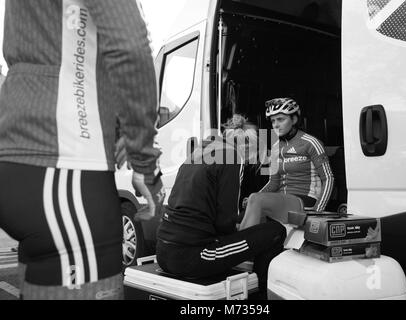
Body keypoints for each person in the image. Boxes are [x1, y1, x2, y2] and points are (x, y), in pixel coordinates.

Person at [0, 0, 164, 300]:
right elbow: (130, 46)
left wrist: (115, 126)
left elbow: (58, 49)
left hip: (23, 160)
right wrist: (144, 162)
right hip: (66, 168)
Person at [156, 115, 286, 299]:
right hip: (193, 257)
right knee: (275, 230)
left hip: (163, 252)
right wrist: (242, 230)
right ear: (247, 145)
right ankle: (260, 293)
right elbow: (224, 221)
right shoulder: (233, 157)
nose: (252, 160)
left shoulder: (200, 152)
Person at [239, 97, 334, 230]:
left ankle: (238, 244)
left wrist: (317, 212)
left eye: (281, 119)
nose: (276, 125)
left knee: (256, 200)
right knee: (242, 214)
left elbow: (328, 178)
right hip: (281, 200)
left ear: (294, 120)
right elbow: (273, 183)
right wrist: (253, 199)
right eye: (273, 121)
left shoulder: (310, 143)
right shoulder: (275, 147)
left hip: (303, 202)